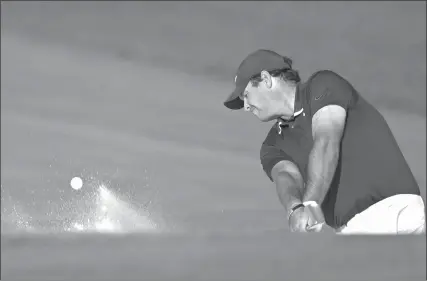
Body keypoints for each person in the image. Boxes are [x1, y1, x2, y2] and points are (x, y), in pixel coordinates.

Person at [223, 49, 425, 234]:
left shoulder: (322, 85)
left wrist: (310, 205)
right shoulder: (272, 145)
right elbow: (286, 175)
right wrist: (295, 209)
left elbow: (326, 140)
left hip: (398, 209)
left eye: (246, 96)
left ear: (266, 79)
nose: (246, 107)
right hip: (355, 229)